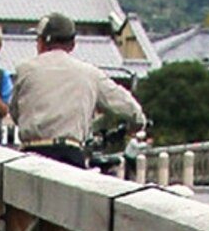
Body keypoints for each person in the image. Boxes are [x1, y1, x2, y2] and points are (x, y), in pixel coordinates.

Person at [8, 12, 145, 166]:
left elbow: (15, 112)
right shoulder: (89, 73)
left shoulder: (25, 69)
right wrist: (137, 123)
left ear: (41, 42)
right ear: (72, 45)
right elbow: (126, 105)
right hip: (70, 154)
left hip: (32, 154)